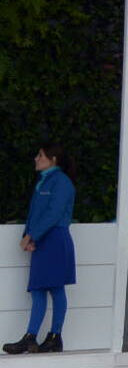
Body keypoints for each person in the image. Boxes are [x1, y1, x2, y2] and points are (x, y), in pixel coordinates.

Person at [6, 145, 76, 354]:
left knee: (55, 287)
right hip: (42, 239)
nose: (36, 159)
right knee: (37, 288)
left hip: (55, 238)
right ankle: (31, 337)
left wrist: (31, 235)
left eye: (40, 155)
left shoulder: (62, 182)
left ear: (53, 159)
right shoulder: (44, 181)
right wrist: (27, 235)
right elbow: (35, 213)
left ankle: (55, 336)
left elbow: (53, 213)